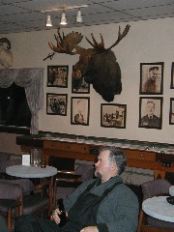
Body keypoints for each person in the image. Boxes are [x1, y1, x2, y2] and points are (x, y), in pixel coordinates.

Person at [15, 147, 139, 232]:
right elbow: (67, 203)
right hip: (67, 227)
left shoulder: (125, 195)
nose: (95, 163)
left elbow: (129, 224)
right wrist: (58, 212)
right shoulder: (89, 184)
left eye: (100, 160)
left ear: (113, 166)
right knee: (24, 221)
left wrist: (99, 229)